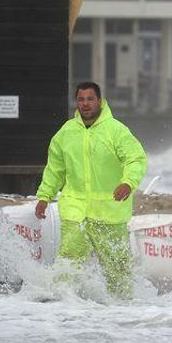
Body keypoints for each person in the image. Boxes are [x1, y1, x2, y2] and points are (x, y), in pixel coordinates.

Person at [35, 82, 147, 299]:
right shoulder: (66, 132)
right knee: (69, 260)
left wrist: (128, 182)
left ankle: (122, 306)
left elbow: (136, 159)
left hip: (109, 212)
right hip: (75, 210)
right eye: (81, 99)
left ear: (99, 100)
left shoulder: (116, 130)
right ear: (76, 102)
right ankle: (64, 303)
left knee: (117, 267)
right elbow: (55, 169)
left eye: (90, 99)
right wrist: (44, 196)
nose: (85, 104)